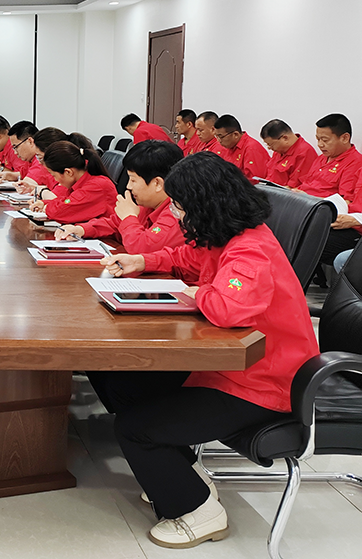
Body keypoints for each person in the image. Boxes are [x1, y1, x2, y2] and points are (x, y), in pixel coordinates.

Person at [90, 152, 318, 549]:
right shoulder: (226, 234)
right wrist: (143, 259)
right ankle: (185, 477)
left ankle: (197, 512)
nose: (177, 216)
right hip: (226, 367)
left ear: (204, 205)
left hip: (262, 383)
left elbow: (228, 307)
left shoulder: (251, 250)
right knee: (124, 383)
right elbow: (187, 257)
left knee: (134, 429)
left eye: (180, 207)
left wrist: (199, 293)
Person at [55, 140, 185, 252]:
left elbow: (142, 248)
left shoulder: (177, 213)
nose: (128, 186)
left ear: (157, 183)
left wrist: (129, 217)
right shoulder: (148, 205)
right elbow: (114, 223)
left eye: (133, 180)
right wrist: (81, 229)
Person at [295, 113, 362, 265]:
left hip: (335, 219)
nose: (320, 144)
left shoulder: (355, 162)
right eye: (318, 139)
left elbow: (346, 201)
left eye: (324, 140)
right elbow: (306, 185)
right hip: (309, 210)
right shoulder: (321, 158)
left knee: (302, 239)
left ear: (344, 138)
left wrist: (308, 199)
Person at [28, 140, 116, 223]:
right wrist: (44, 203)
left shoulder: (96, 186)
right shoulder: (80, 182)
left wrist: (47, 208)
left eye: (54, 175)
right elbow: (67, 201)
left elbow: (62, 211)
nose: (55, 180)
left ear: (68, 172)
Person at [260, 118, 318, 188]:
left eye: (271, 144)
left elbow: (295, 187)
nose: (269, 148)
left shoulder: (304, 153)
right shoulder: (279, 151)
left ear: (285, 138)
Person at [212, 114, 268, 181]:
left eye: (221, 137)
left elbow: (255, 181)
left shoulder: (251, 149)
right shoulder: (227, 146)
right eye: (217, 137)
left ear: (235, 134)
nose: (219, 141)